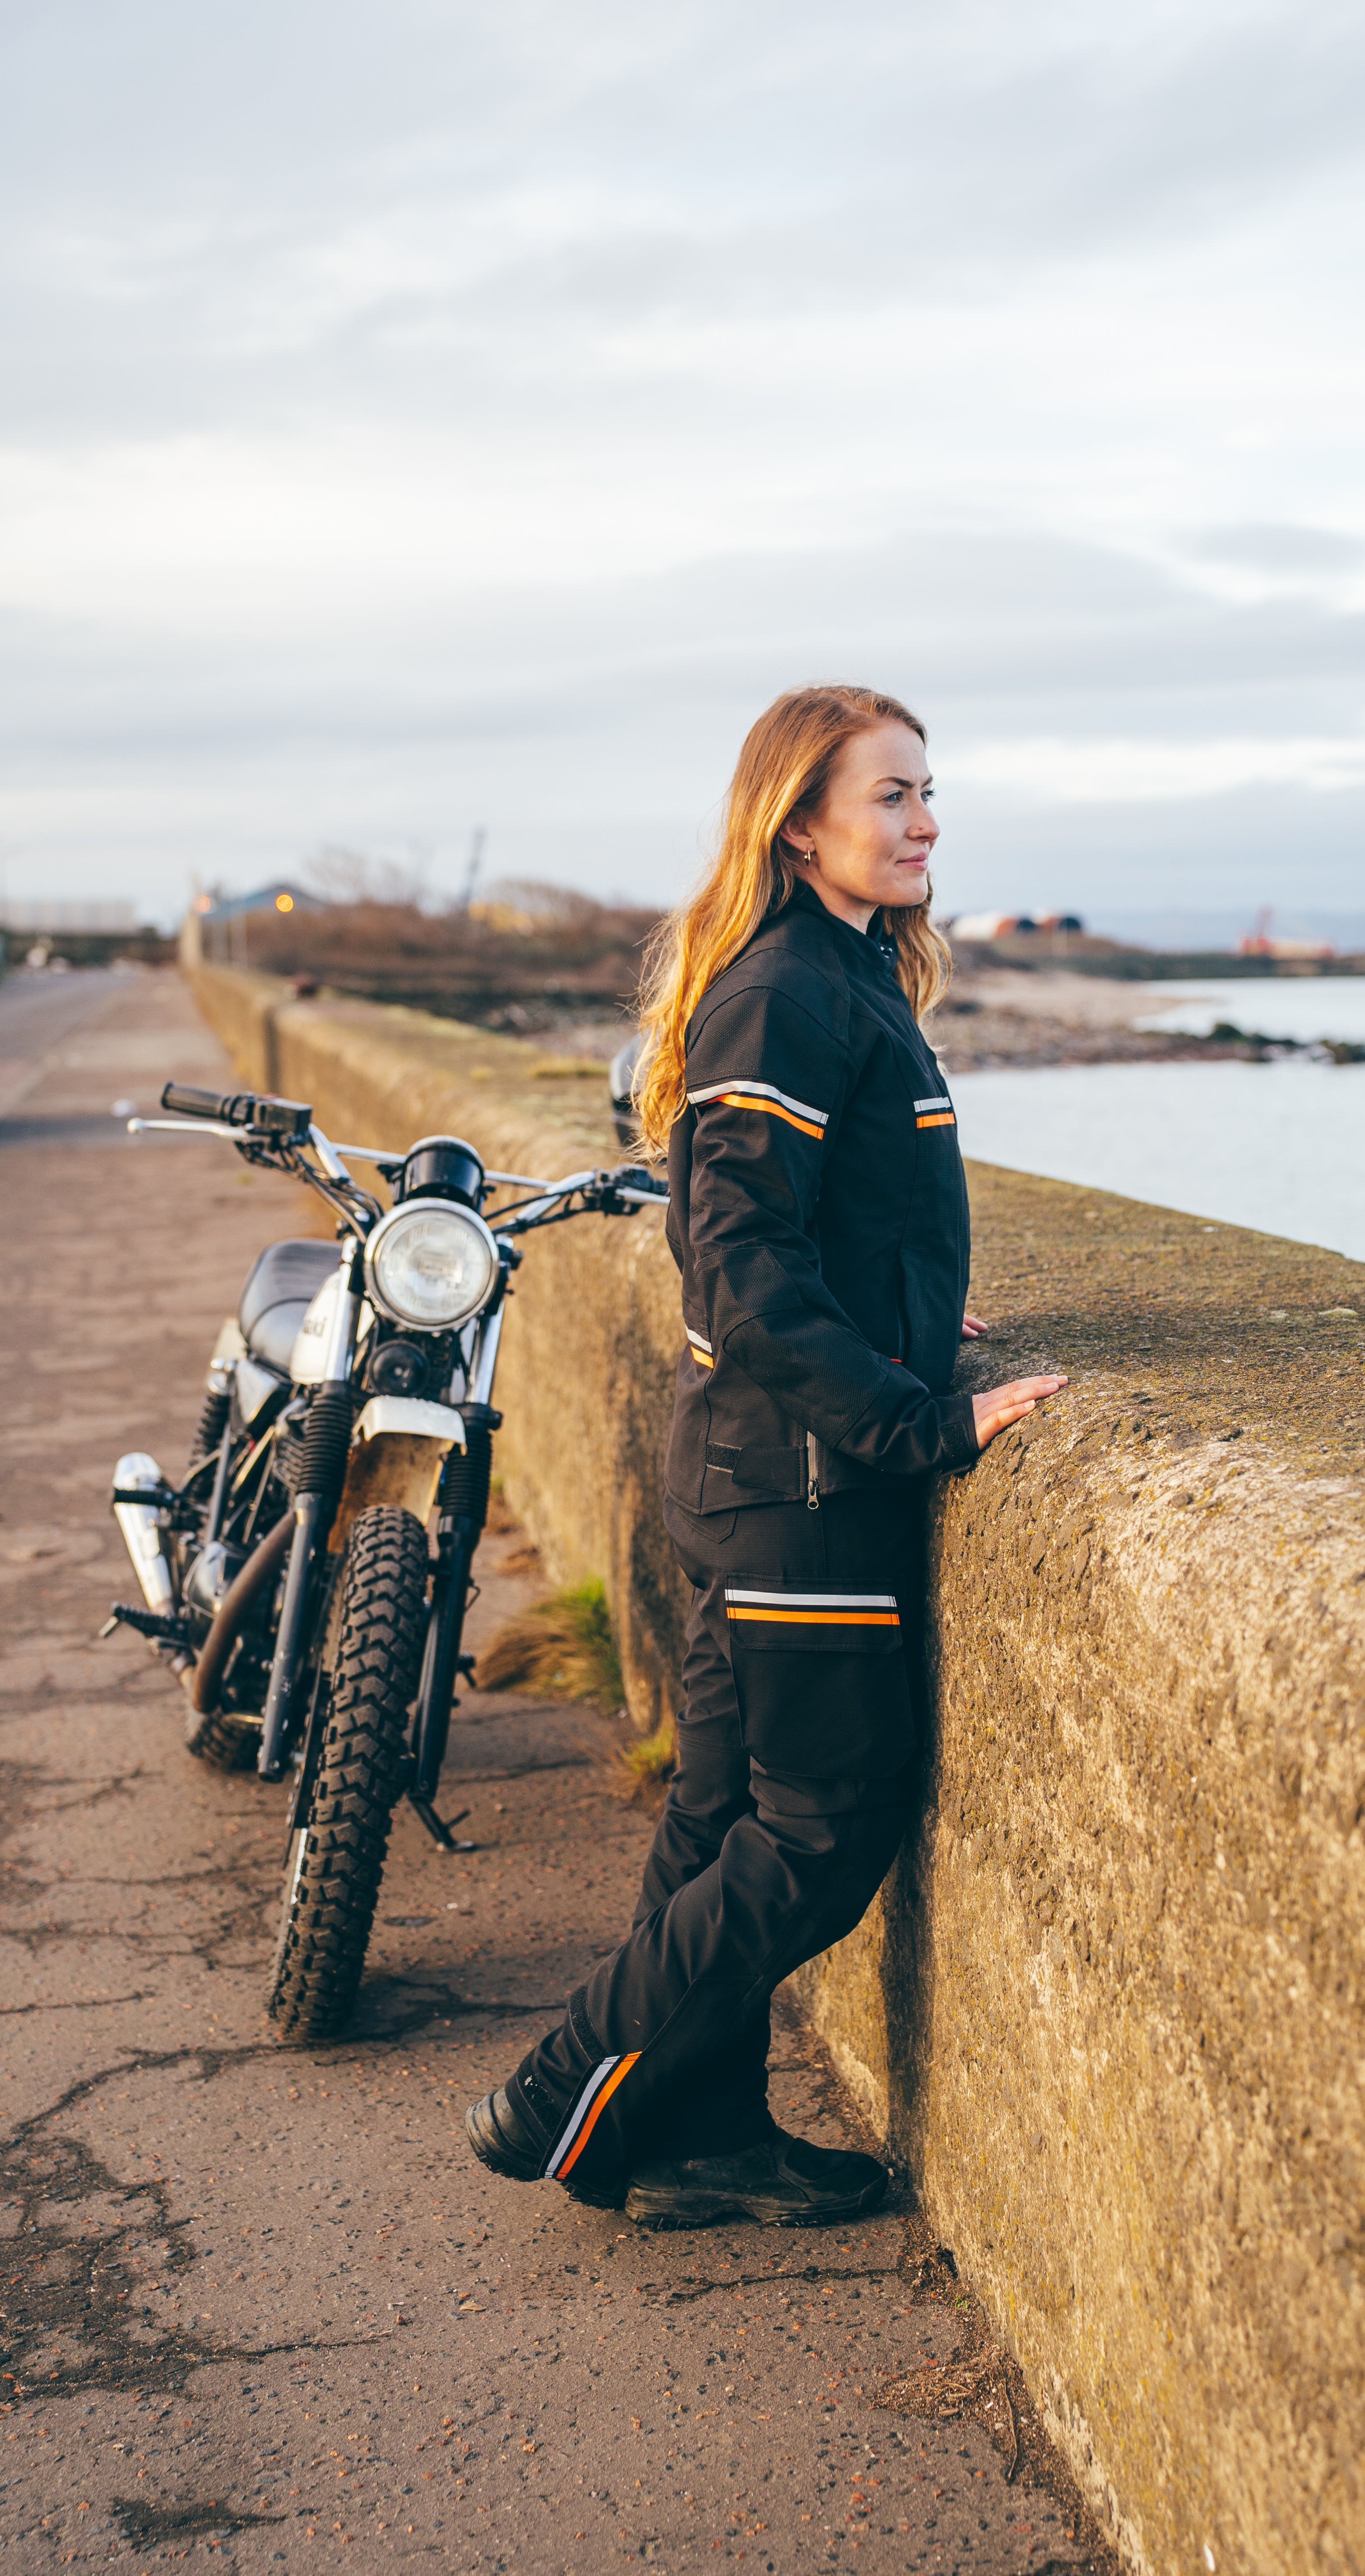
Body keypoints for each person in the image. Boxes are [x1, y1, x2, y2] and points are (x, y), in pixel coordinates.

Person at [466, 684, 1067, 2228]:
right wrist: (920, 1417)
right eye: (893, 796)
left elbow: (806, 1221)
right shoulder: (789, 988)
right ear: (801, 821)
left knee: (726, 1820)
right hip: (800, 1486)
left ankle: (686, 2132)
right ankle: (567, 2074)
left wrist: (913, 1301)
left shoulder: (844, 979)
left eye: (931, 793)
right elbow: (730, 1263)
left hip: (757, 1470)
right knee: (823, 1824)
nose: (926, 820)